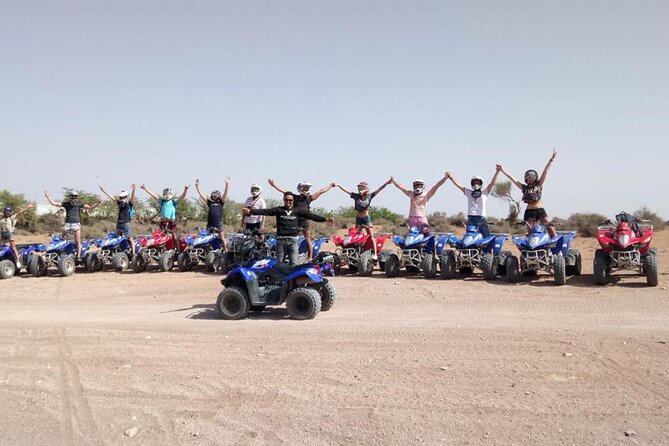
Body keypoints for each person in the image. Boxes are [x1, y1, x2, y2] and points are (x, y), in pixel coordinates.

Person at [242, 191, 333, 266]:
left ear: (293, 200)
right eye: (286, 200)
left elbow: (311, 216)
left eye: (290, 200)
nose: (288, 202)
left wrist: (325, 219)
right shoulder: (279, 210)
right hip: (281, 240)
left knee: (294, 264)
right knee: (279, 264)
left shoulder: (297, 211)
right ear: (283, 200)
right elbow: (265, 211)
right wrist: (251, 211)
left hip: (293, 240)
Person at [267, 179, 335, 260]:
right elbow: (284, 191)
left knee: (308, 239)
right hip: (294, 221)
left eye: (307, 188)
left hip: (304, 221)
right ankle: (288, 256)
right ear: (300, 188)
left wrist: (330, 186)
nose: (306, 190)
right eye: (305, 188)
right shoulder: (294, 197)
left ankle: (310, 258)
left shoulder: (309, 198)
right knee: (292, 238)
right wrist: (274, 185)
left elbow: (320, 192)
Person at [498, 148, 558, 238]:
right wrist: (502, 171)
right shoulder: (523, 187)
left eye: (532, 177)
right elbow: (512, 178)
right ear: (526, 178)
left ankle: (557, 248)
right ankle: (533, 250)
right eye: (528, 177)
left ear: (535, 177)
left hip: (540, 210)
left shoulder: (539, 184)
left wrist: (551, 159)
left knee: (550, 226)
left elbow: (545, 171)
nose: (530, 178)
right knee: (531, 232)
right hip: (529, 211)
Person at [334, 178, 392, 258]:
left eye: (362, 188)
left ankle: (374, 254)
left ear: (366, 189)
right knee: (356, 237)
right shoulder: (356, 196)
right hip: (358, 218)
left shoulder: (369, 196)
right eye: (359, 188)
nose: (360, 189)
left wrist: (387, 183)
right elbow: (346, 190)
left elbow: (379, 189)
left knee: (371, 236)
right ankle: (357, 253)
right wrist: (338, 185)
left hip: (366, 218)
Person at [44, 190, 101, 259]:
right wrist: (48, 197)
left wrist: (97, 203)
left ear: (76, 198)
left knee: (77, 241)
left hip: (76, 225)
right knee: (62, 240)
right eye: (72, 197)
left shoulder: (79, 204)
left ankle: (78, 256)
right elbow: (54, 204)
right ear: (70, 197)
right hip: (67, 225)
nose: (73, 198)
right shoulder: (66, 204)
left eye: (75, 197)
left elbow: (90, 207)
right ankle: (62, 254)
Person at [446, 166, 501, 237]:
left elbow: (492, 183)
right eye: (474, 183)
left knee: (486, 237)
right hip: (471, 218)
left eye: (478, 183)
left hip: (481, 218)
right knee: (469, 236)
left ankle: (489, 248)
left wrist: (497, 172)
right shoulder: (468, 192)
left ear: (481, 184)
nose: (476, 185)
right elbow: (459, 185)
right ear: (472, 184)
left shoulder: (485, 193)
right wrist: (451, 178)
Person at [140, 184, 189, 249]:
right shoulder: (162, 201)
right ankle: (162, 249)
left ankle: (178, 251)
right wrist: (145, 188)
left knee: (174, 236)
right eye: (165, 194)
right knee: (160, 236)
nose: (167, 195)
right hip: (163, 222)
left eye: (168, 193)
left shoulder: (173, 201)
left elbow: (182, 197)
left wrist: (185, 189)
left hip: (171, 222)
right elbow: (153, 195)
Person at [99, 184, 138, 256]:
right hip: (119, 223)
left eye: (123, 197)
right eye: (121, 197)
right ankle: (118, 252)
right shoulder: (119, 203)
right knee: (117, 238)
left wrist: (133, 190)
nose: (122, 198)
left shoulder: (129, 204)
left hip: (126, 223)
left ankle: (133, 253)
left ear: (126, 197)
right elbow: (112, 197)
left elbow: (132, 199)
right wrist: (104, 190)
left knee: (130, 238)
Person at [194, 177, 229, 250]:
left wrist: (227, 184)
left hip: (218, 224)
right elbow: (202, 195)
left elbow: (225, 193)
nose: (214, 196)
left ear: (218, 196)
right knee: (205, 238)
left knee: (222, 238)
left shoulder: (220, 202)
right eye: (213, 195)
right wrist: (197, 187)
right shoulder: (209, 202)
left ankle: (226, 251)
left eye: (216, 195)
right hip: (210, 224)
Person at [1, 204, 35, 268]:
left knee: (13, 248)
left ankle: (18, 261)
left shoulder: (12, 218)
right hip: (3, 234)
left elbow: (20, 213)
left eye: (9, 212)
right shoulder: (2, 218)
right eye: (6, 211)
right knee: (1, 247)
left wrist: (27, 207)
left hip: (9, 233)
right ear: (4, 212)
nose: (7, 213)